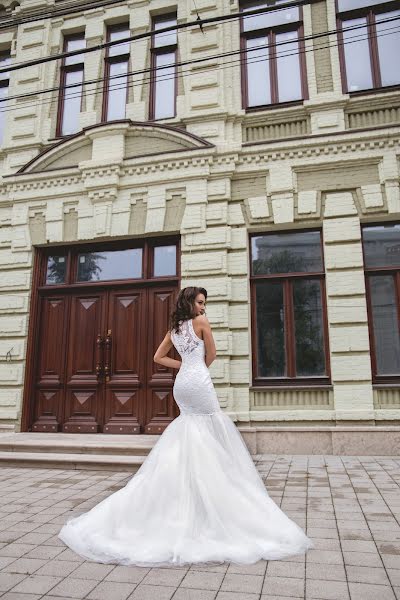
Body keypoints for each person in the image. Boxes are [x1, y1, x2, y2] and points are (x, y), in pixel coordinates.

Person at [58, 286, 314, 566]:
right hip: (199, 382)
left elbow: (158, 357)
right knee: (210, 426)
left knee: (190, 428)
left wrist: (183, 366)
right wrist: (197, 368)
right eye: (201, 302)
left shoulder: (175, 328)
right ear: (191, 302)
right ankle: (209, 493)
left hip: (182, 385)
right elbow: (212, 354)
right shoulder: (201, 323)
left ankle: (189, 490)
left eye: (204, 304)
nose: (203, 308)